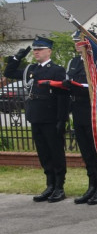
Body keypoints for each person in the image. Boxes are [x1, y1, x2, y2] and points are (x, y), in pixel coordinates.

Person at [3, 37, 69, 202]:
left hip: (51, 118)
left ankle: (59, 187)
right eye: (35, 50)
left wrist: (62, 119)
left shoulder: (57, 70)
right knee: (44, 153)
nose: (36, 52)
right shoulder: (30, 69)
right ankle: (50, 185)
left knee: (56, 153)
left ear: (49, 51)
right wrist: (17, 58)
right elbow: (9, 73)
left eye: (40, 49)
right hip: (36, 117)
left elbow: (63, 96)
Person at [65, 32, 97, 204]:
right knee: (85, 150)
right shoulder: (74, 62)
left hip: (92, 109)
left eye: (80, 42)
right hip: (77, 109)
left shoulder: (96, 62)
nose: (78, 45)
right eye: (76, 43)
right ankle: (91, 185)